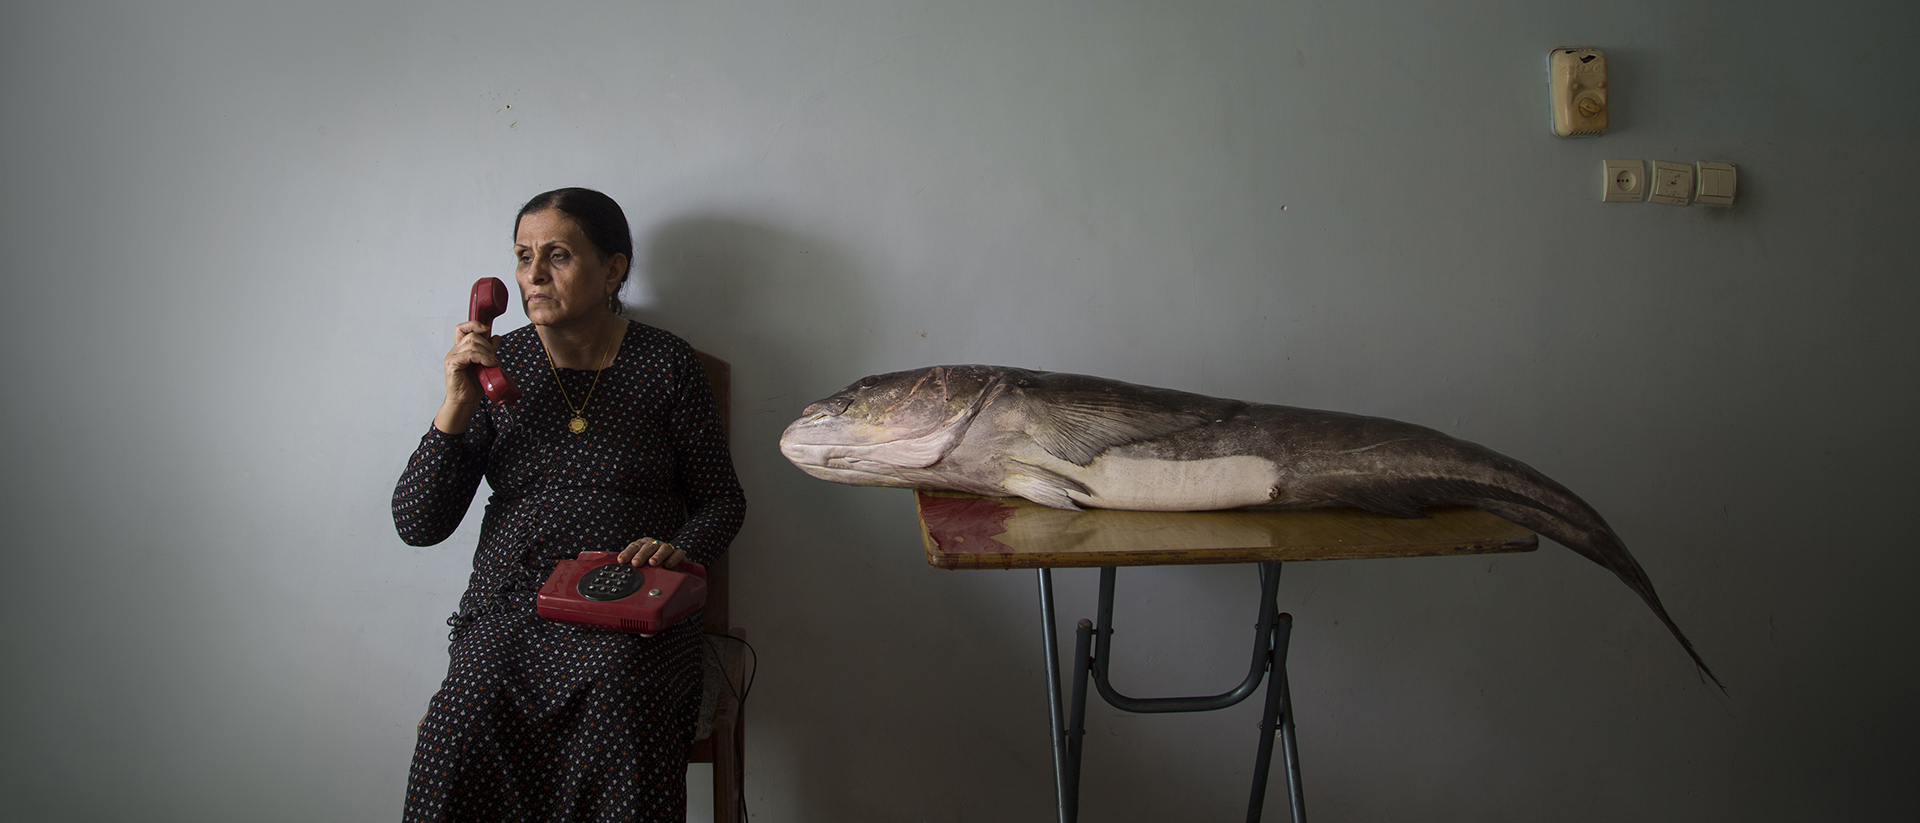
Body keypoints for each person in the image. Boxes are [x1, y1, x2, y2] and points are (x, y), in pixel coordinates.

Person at [393, 187, 745, 822]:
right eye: (523, 256)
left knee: (619, 707)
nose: (532, 275)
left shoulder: (665, 364)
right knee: (461, 721)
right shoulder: (499, 368)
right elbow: (417, 525)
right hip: (513, 607)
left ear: (613, 268)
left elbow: (723, 501)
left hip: (631, 605)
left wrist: (681, 551)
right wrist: (457, 403)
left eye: (557, 256)